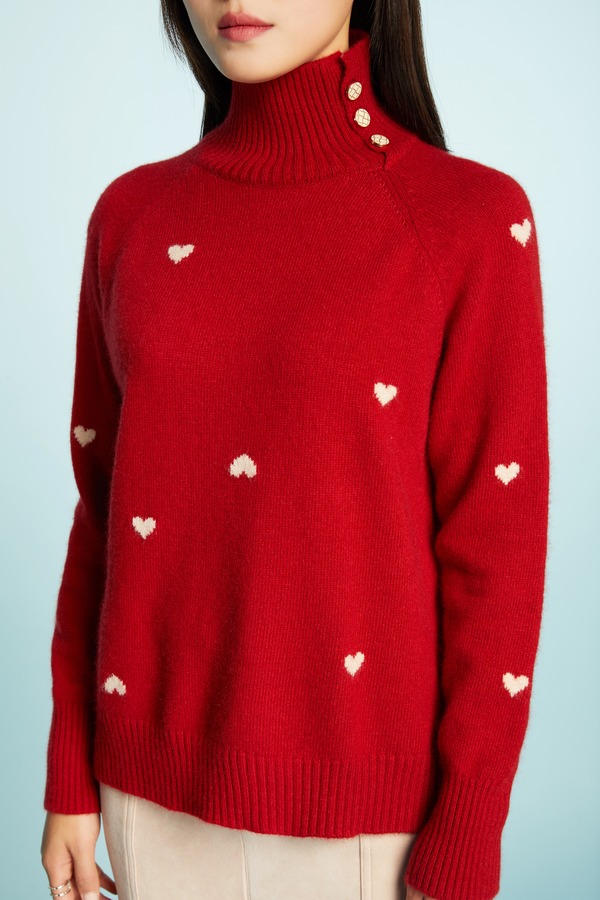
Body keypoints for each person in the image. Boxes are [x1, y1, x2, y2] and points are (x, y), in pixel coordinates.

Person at [39, 1, 550, 898]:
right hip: (145, 797)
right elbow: (103, 513)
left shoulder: (468, 221)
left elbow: (495, 557)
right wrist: (70, 772)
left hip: (374, 818)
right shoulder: (131, 217)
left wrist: (469, 829)